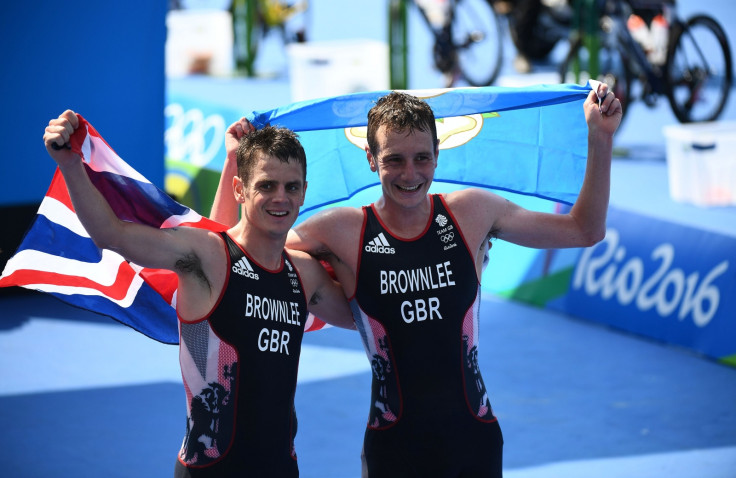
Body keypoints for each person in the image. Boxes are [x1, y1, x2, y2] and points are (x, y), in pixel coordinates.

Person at [212, 83, 622, 477]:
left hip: (474, 441)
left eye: (421, 158)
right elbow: (229, 257)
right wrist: (235, 163)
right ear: (371, 159)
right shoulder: (342, 231)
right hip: (396, 451)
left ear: (438, 155)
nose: (410, 173)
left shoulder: (473, 213)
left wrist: (600, 139)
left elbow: (584, 230)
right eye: (394, 159)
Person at [43, 111, 355, 478]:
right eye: (266, 186)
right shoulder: (205, 256)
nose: (280, 198)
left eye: (291, 186)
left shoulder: (304, 274)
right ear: (241, 190)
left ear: (304, 191)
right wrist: (70, 164)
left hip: (281, 469)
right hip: (209, 472)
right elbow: (111, 235)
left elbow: (369, 316)